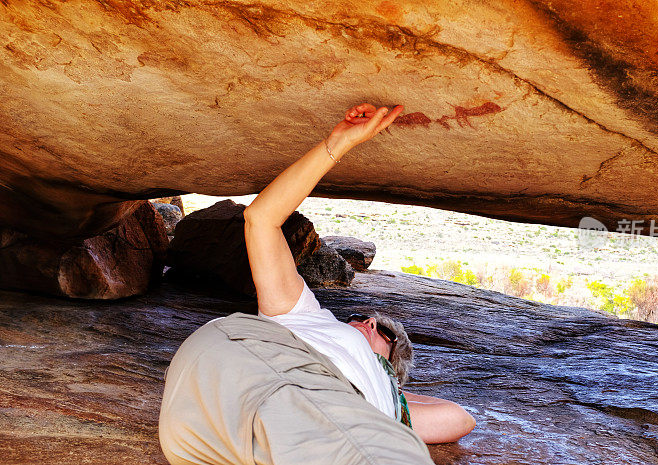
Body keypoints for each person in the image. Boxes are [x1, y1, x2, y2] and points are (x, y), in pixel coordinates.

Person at [159, 103, 476, 465]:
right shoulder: (304, 314)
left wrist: (390, 386)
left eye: (386, 335)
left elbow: (460, 418)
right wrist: (336, 144)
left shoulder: (385, 400)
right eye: (370, 321)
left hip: (199, 425)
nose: (370, 322)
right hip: (258, 363)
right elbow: (261, 219)